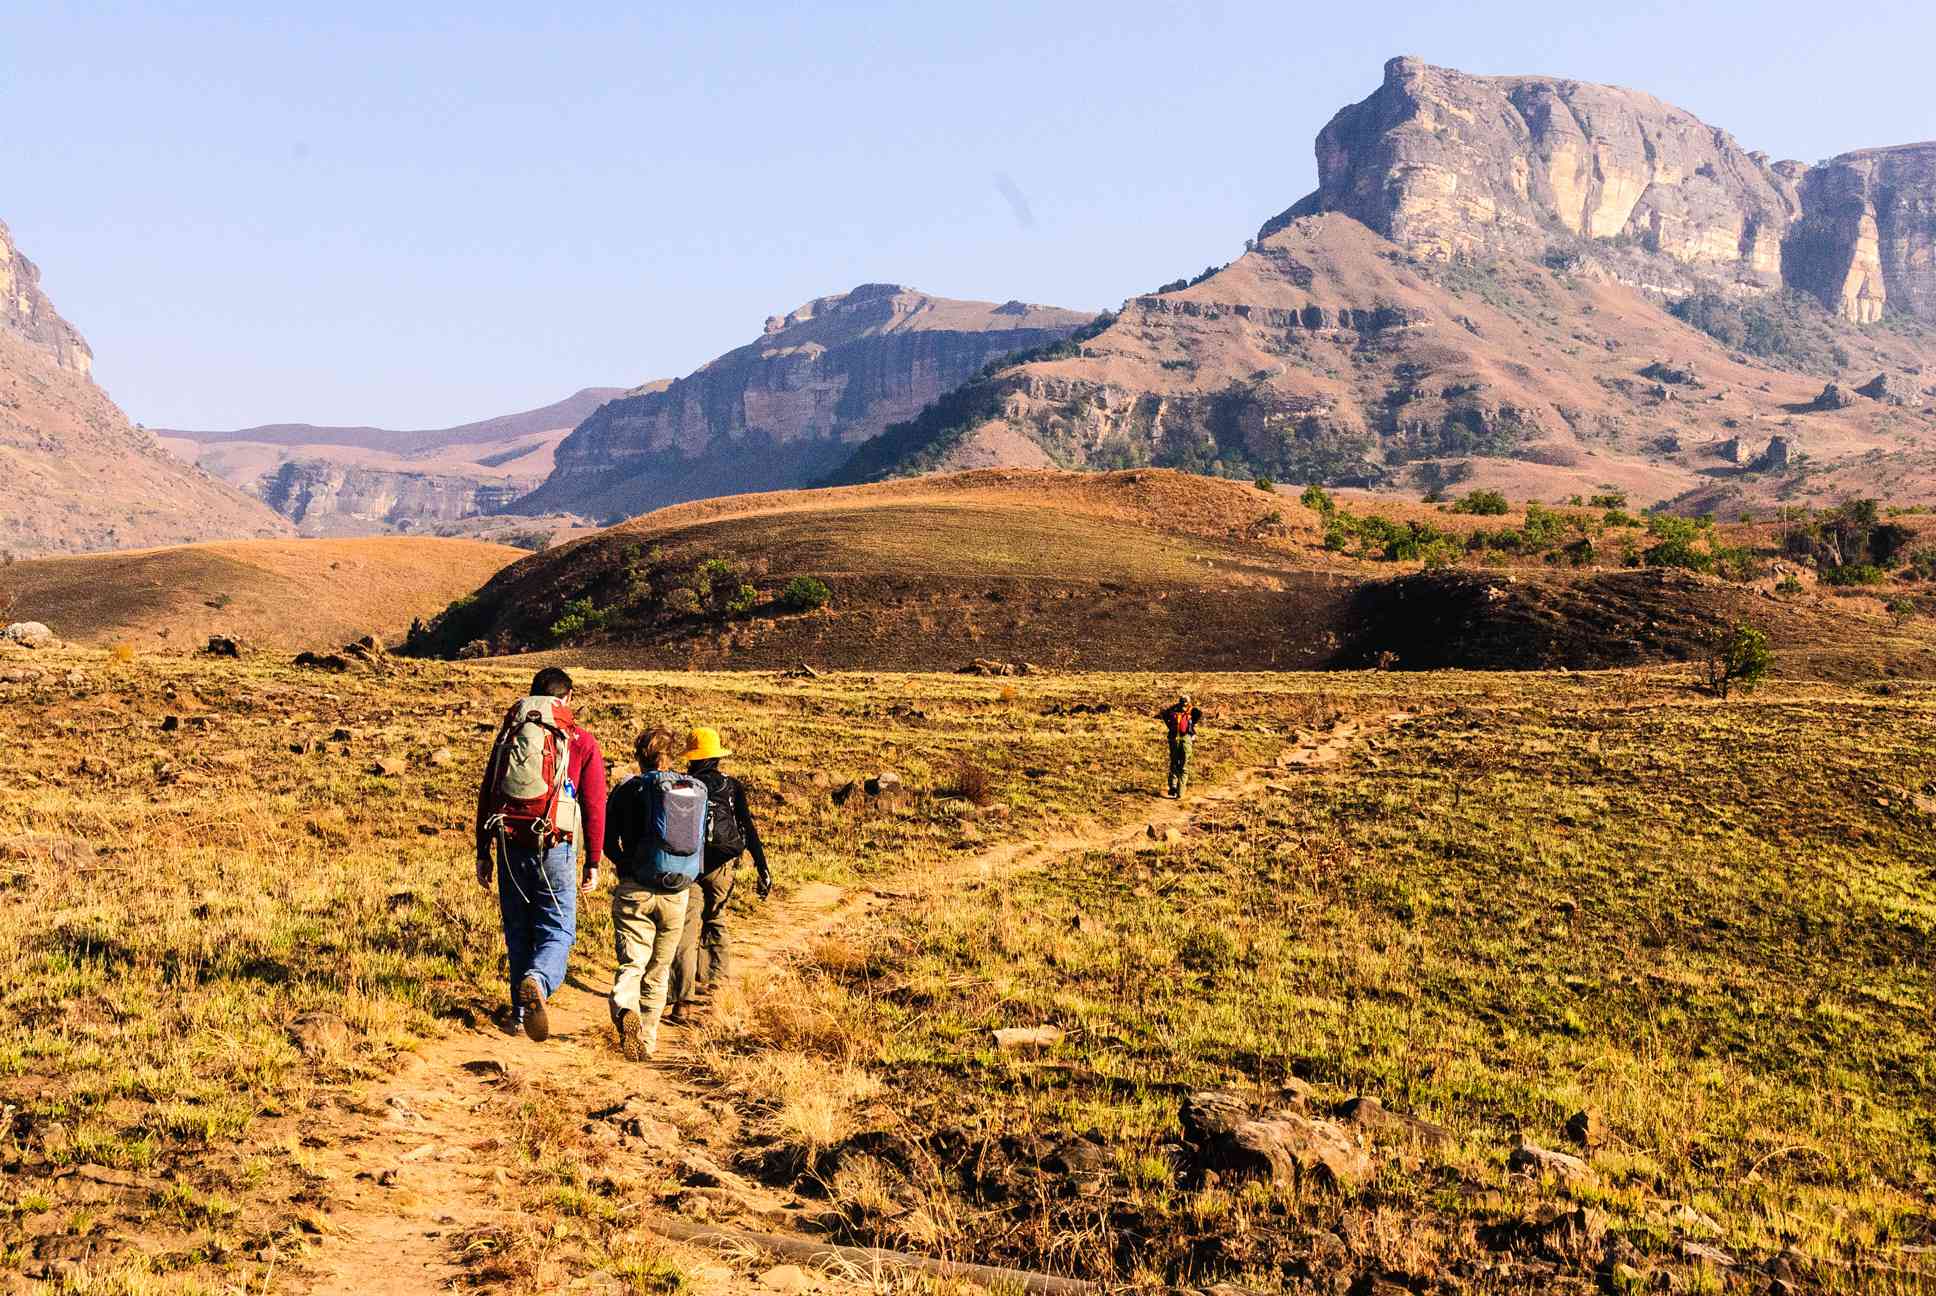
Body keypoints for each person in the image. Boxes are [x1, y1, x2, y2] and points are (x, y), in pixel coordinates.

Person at [475, 667, 607, 1042]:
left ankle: (519, 1017)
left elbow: (488, 792)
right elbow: (595, 804)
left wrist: (482, 850)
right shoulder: (580, 740)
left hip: (509, 839)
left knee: (518, 929)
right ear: (566, 698)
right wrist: (594, 860)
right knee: (558, 928)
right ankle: (539, 980)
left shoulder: (510, 735)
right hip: (555, 844)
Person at [603, 728, 702, 1060]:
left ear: (639, 755)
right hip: (677, 891)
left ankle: (624, 1009)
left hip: (635, 888)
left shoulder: (627, 789)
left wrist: (625, 866)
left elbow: (606, 840)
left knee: (633, 963)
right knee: (659, 970)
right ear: (671, 754)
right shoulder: (687, 790)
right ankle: (647, 1041)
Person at [666, 726, 771, 1023]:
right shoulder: (731, 785)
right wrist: (762, 865)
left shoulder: (682, 785)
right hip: (722, 866)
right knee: (716, 919)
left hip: (689, 865)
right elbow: (747, 827)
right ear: (716, 756)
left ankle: (682, 1002)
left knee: (687, 928)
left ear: (693, 757)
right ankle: (718, 989)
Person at [1155, 692, 1202, 798]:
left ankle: (1173, 787)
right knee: (1184, 766)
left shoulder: (1172, 711)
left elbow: (1164, 714)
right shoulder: (1192, 711)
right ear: (1188, 702)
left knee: (1174, 763)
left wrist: (1170, 726)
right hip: (1185, 739)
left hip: (1173, 738)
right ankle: (1180, 793)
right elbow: (1199, 714)